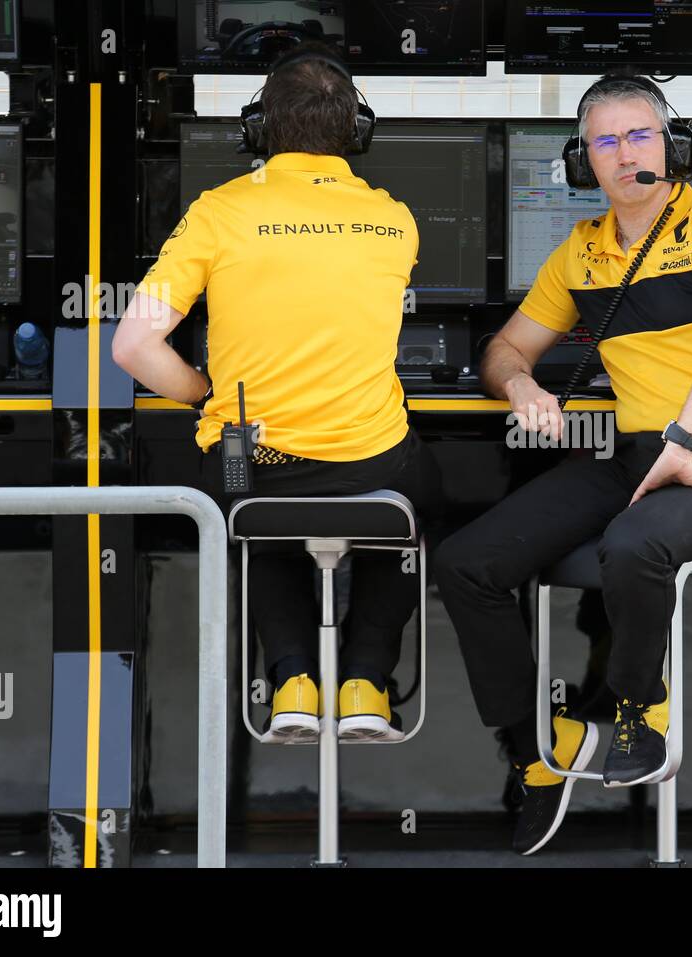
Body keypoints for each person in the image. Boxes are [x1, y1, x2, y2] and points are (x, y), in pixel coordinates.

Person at [434, 75, 692, 854]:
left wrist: (685, 435)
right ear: (582, 161)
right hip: (638, 454)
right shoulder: (581, 252)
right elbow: (503, 349)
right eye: (606, 140)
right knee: (467, 562)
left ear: (673, 147)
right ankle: (536, 753)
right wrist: (523, 383)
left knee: (635, 544)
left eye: (639, 135)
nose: (625, 152)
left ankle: (640, 710)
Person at [113, 41, 440, 743]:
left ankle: (291, 676)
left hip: (248, 459)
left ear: (260, 129)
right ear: (357, 131)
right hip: (370, 465)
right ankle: (365, 680)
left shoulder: (219, 212)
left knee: (254, 512)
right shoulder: (396, 219)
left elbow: (132, 346)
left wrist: (208, 395)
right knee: (422, 488)